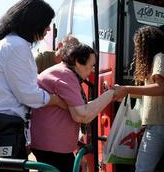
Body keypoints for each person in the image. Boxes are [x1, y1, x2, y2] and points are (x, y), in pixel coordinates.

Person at [0, 0, 66, 166]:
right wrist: (57, 100)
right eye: (45, 23)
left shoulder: (2, 44)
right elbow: (29, 95)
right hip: (6, 128)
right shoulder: (18, 46)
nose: (47, 29)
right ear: (33, 21)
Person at [30, 43, 115, 172]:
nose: (92, 70)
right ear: (78, 62)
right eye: (91, 66)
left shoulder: (63, 73)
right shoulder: (66, 75)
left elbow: (78, 112)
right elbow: (82, 115)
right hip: (53, 146)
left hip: (52, 145)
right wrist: (111, 93)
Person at [113, 25, 164, 172]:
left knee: (142, 168)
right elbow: (148, 92)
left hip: (159, 125)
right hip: (158, 125)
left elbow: (160, 88)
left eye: (139, 46)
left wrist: (127, 89)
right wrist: (121, 93)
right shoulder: (159, 59)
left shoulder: (160, 58)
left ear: (147, 44)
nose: (138, 50)